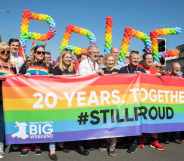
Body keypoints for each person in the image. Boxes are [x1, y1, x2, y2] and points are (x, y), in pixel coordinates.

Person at [19, 45, 54, 158]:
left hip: (42, 98)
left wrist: (52, 76)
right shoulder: (27, 64)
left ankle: (37, 144)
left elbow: (55, 80)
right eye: (39, 52)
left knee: (39, 121)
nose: (41, 55)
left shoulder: (48, 65)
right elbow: (17, 78)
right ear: (34, 53)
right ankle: (26, 144)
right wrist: (24, 76)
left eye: (43, 53)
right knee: (28, 119)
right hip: (28, 97)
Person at [119, 50, 145, 153]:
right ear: (129, 59)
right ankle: (127, 139)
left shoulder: (141, 70)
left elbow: (149, 82)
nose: (136, 60)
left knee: (136, 120)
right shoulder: (122, 69)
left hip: (138, 100)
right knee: (127, 119)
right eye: (133, 58)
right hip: (126, 99)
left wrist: (142, 76)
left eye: (137, 58)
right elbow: (118, 83)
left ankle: (134, 141)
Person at [139, 53, 165, 151]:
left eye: (151, 58)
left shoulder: (155, 69)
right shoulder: (140, 68)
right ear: (144, 60)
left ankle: (154, 140)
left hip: (153, 98)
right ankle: (141, 139)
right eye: (148, 58)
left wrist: (161, 76)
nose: (150, 60)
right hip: (141, 98)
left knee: (154, 119)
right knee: (142, 118)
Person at [0, 42, 16, 159]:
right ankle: (1, 145)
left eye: (7, 52)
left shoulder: (12, 65)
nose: (5, 54)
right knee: (1, 122)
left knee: (8, 120)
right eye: (2, 51)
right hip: (0, 97)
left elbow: (17, 80)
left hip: (10, 98)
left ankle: (9, 140)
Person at [102, 54, 118, 156]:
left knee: (114, 125)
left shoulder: (119, 72)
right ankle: (105, 142)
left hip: (115, 102)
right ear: (105, 61)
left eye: (112, 60)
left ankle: (112, 147)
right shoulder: (101, 71)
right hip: (103, 102)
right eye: (109, 60)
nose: (110, 62)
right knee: (104, 124)